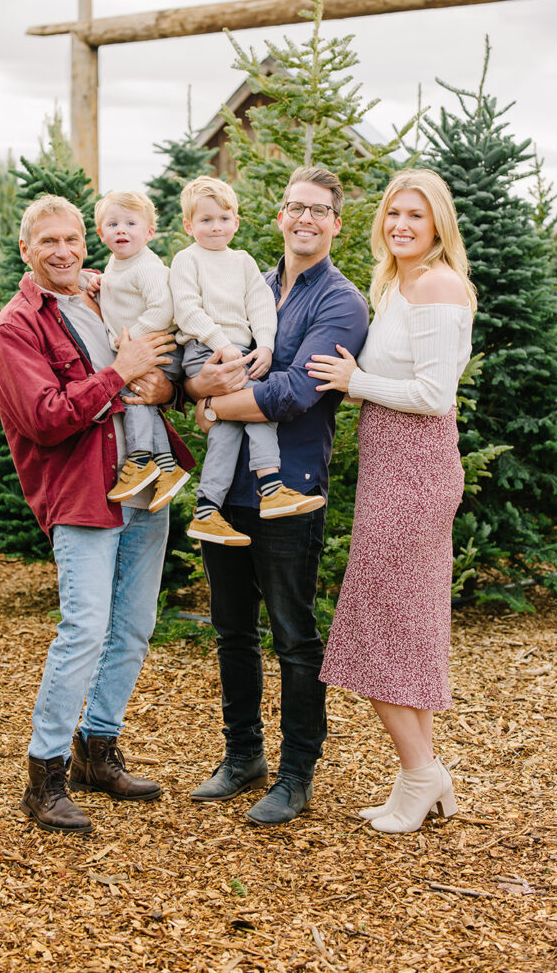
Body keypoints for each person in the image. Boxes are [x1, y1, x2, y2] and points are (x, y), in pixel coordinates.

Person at [0, 194, 194, 835]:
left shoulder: (107, 293)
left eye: (73, 238)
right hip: (83, 492)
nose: (63, 251)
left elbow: (162, 369)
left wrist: (162, 384)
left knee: (134, 624)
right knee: (84, 628)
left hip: (144, 481)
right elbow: (46, 418)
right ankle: (43, 775)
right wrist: (118, 372)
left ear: (87, 241)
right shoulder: (16, 327)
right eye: (47, 241)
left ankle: (96, 750)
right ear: (26, 250)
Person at [186, 167, 369, 825]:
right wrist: (205, 390)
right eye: (296, 207)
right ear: (280, 214)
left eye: (319, 210)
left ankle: (296, 773)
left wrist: (214, 401)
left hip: (291, 489)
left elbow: (296, 393)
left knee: (293, 634)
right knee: (232, 629)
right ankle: (243, 758)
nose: (305, 220)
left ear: (337, 223)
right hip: (227, 489)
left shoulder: (341, 302)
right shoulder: (253, 287)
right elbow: (202, 359)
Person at [306, 168, 476, 834]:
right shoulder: (398, 283)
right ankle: (420, 780)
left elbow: (435, 396)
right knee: (406, 630)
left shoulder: (438, 285)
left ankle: (423, 774)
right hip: (390, 470)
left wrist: (357, 381)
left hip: (416, 476)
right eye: (393, 213)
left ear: (438, 224)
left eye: (416, 214)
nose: (401, 224)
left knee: (375, 631)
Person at [171, 176, 326, 547]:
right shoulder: (186, 260)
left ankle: (207, 508)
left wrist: (267, 347)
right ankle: (272, 487)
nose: (215, 227)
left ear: (236, 222)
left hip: (241, 350)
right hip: (204, 349)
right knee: (259, 404)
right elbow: (188, 310)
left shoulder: (242, 262)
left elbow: (260, 306)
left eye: (223, 218)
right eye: (205, 220)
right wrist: (222, 344)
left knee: (227, 428)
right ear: (189, 225)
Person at [95, 189, 189, 513]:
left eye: (131, 223)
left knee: (133, 394)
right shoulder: (114, 265)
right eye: (113, 223)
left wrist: (130, 339)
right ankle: (167, 466)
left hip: (162, 347)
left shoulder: (147, 267)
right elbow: (116, 294)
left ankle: (139, 461)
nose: (121, 229)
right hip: (142, 347)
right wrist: (97, 286)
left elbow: (162, 310)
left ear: (149, 232)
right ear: (100, 232)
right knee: (141, 397)